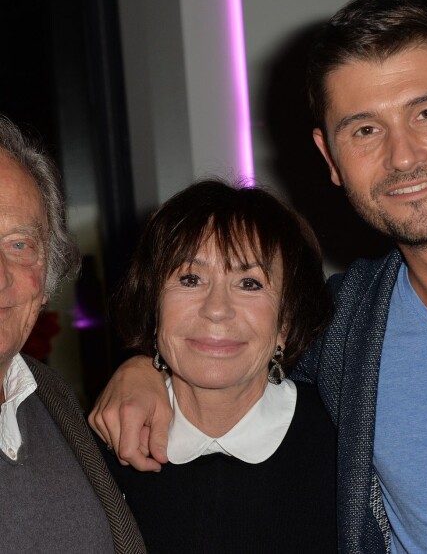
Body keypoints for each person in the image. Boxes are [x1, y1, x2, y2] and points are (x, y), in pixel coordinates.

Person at [90, 0, 427, 553]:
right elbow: (229, 349)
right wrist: (143, 369)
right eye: (365, 129)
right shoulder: (346, 324)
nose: (402, 156)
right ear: (330, 157)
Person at [95, 180, 337, 552]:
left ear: (285, 323)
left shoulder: (346, 445)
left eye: (249, 283)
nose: (216, 309)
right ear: (154, 308)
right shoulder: (96, 455)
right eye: (190, 279)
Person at [0, 116, 146, 553]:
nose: (2, 277)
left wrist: (151, 370)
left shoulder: (50, 399)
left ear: (47, 273)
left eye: (20, 245)